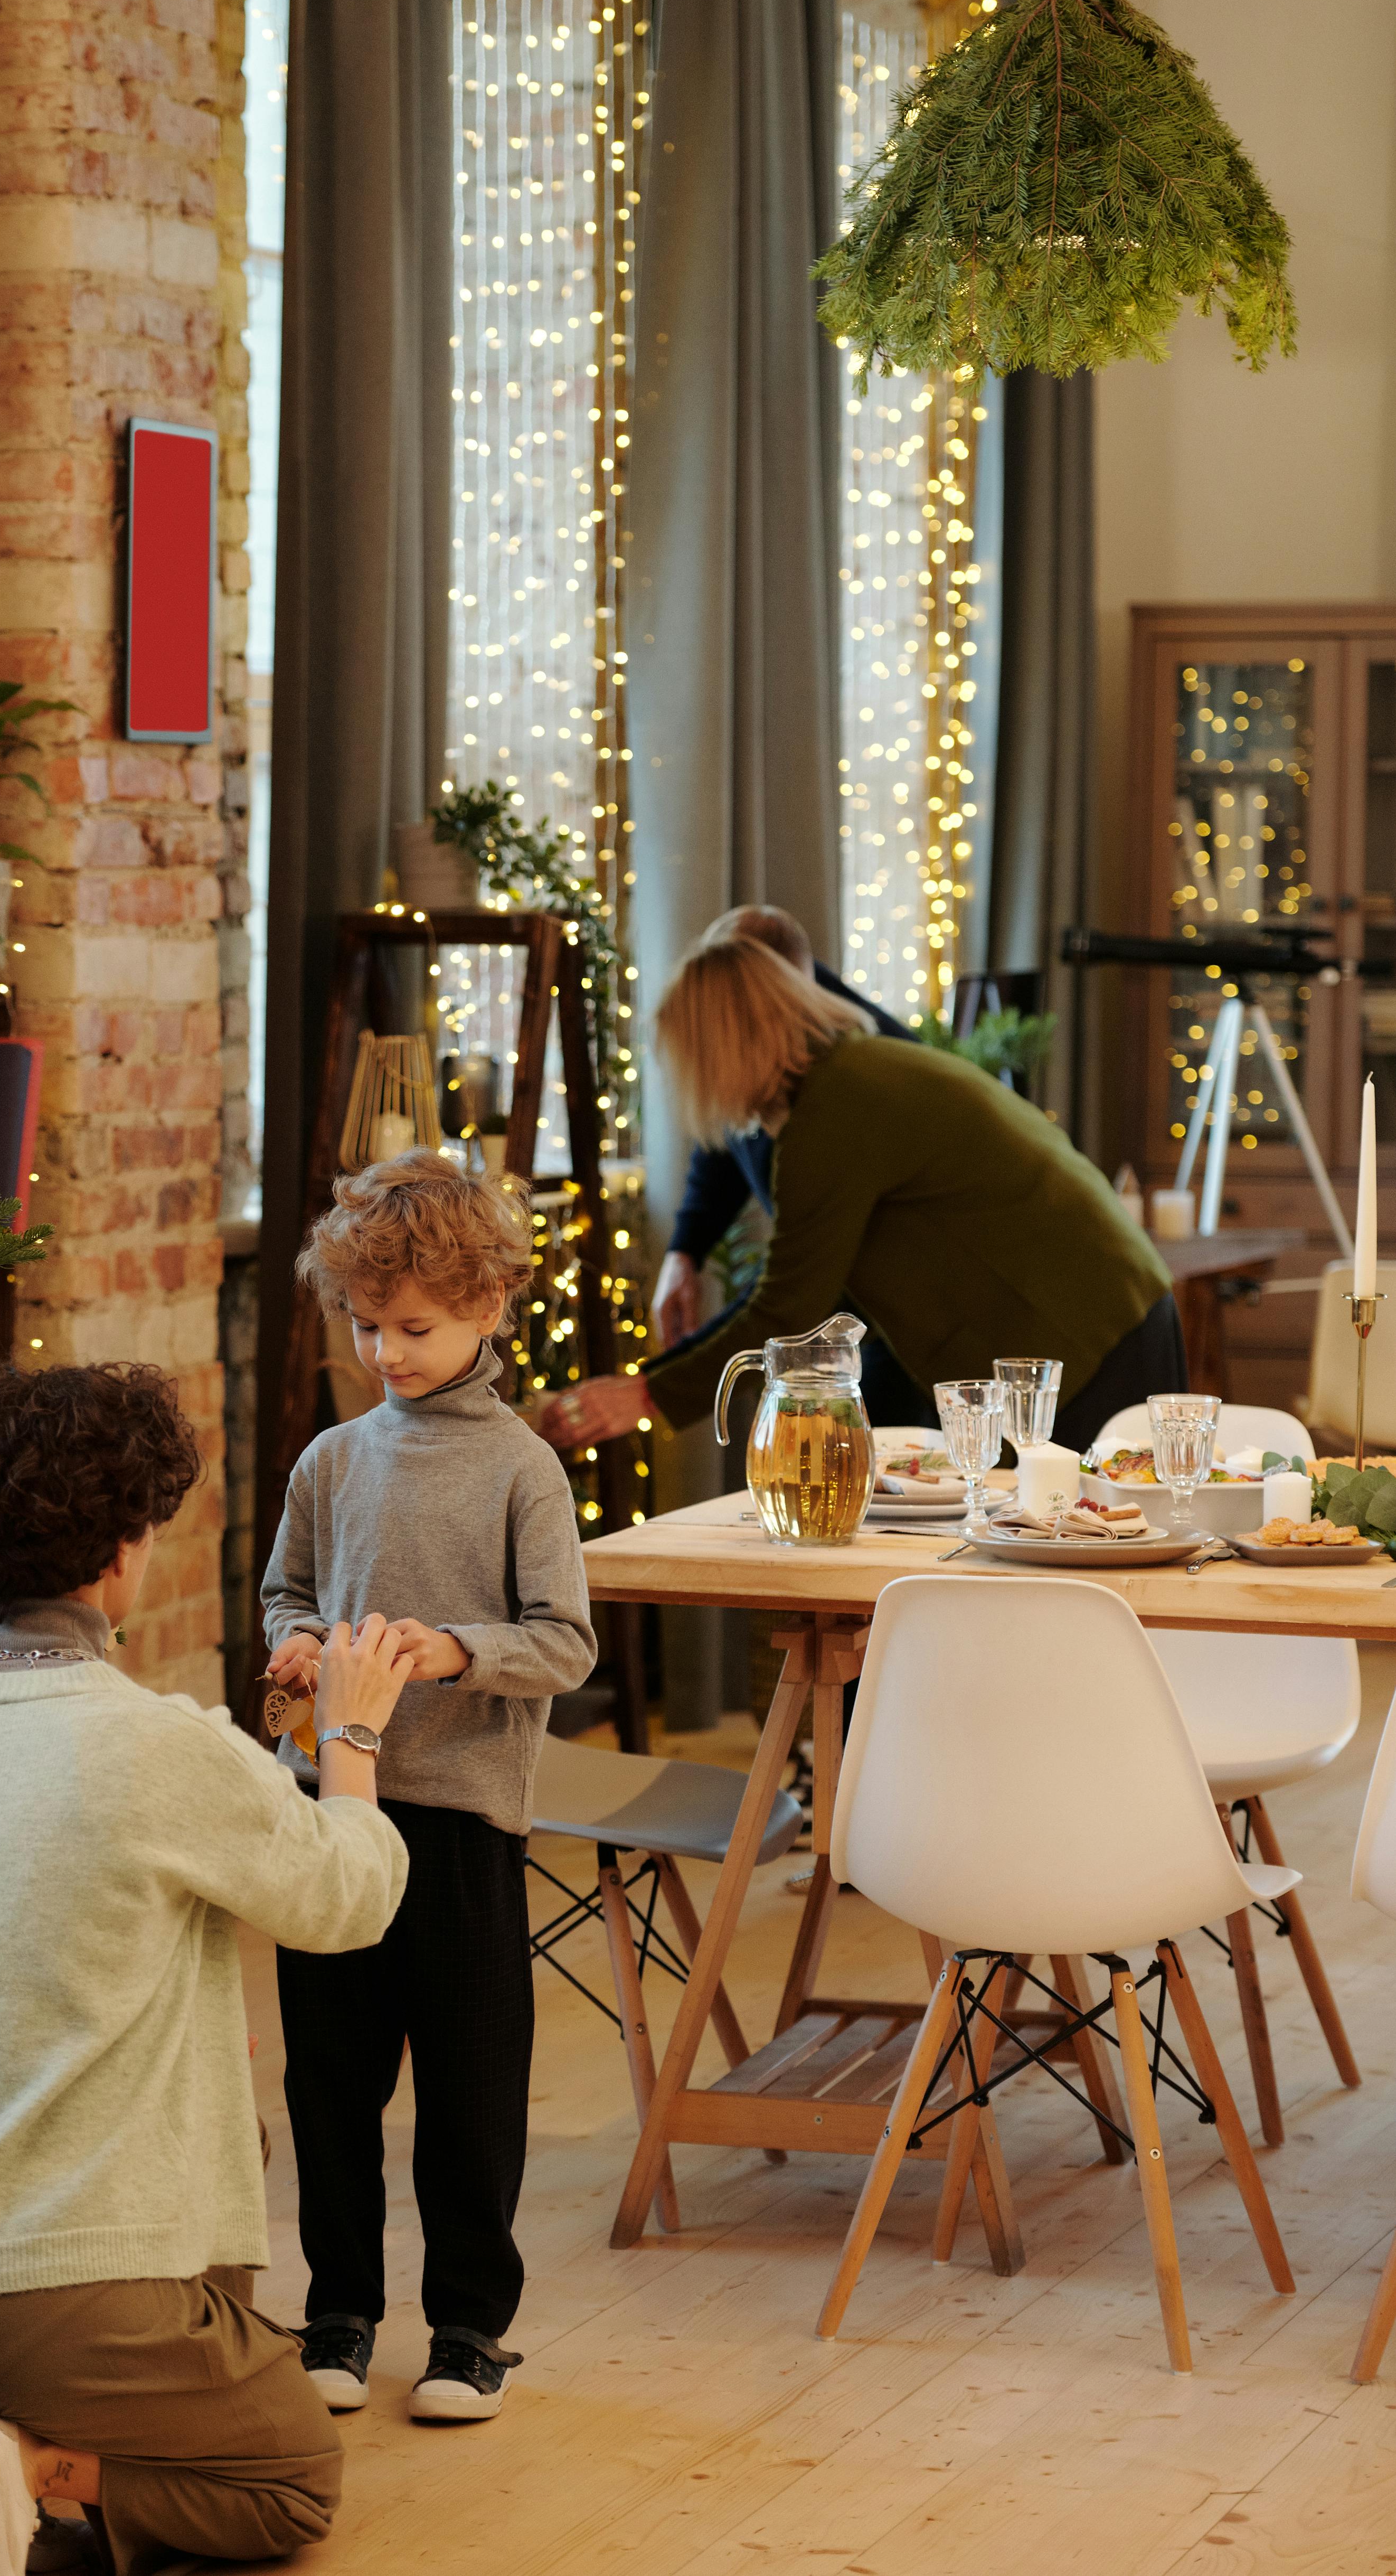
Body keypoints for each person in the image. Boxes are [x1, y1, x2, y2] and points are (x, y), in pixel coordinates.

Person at [0, 1361, 417, 2576]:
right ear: (125, 1552)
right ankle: (30, 2472)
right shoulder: (156, 1744)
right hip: (75, 2297)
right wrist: (352, 1728)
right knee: (288, 2482)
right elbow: (351, 1896)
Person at [261, 1153, 596, 2428]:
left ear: (490, 1306)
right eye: (365, 1325)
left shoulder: (523, 1471)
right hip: (330, 1812)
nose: (387, 1352)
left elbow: (563, 1641)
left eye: (416, 1327)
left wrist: (453, 1651)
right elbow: (288, 1590)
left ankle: (469, 2326)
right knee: (330, 2078)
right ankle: (339, 2308)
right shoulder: (332, 1461)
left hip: (461, 1821)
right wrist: (297, 1639)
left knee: (470, 2082)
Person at [540, 929, 1183, 1458]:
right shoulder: (852, 1078)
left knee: (1084, 1562)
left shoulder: (835, 1111)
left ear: (724, 1047)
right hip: (1099, 1316)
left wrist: (644, 1395)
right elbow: (819, 1293)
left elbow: (787, 1307)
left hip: (1086, 1330)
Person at [651, 905, 914, 1356]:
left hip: (904, 1307)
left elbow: (795, 1288)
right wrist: (685, 1251)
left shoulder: (847, 1082)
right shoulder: (777, 1043)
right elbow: (728, 1132)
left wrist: (651, 1390)